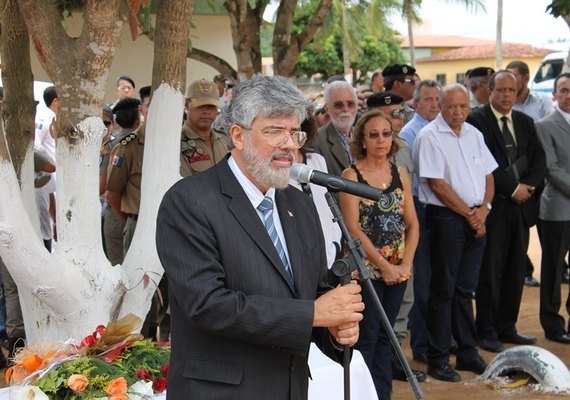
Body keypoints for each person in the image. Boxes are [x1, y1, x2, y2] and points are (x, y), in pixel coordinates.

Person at [155, 75, 364, 399]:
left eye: (294, 132)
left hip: (290, 388)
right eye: (274, 131)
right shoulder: (190, 201)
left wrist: (334, 329)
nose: (289, 144)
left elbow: (313, 292)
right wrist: (314, 314)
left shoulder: (299, 203)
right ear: (238, 135)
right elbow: (207, 305)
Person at [415, 83, 497, 382]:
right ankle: (438, 358)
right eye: (452, 106)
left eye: (463, 106)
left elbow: (489, 174)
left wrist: (484, 209)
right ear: (441, 105)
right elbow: (437, 184)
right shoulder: (429, 137)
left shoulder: (474, 134)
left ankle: (467, 352)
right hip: (446, 219)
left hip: (476, 215)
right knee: (443, 290)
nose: (458, 112)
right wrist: (470, 215)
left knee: (465, 289)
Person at [339, 109, 418, 399]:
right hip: (366, 272)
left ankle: (382, 394)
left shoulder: (400, 173)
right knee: (368, 337)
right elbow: (353, 230)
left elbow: (412, 222)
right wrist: (384, 266)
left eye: (386, 133)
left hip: (397, 272)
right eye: (373, 135)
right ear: (362, 139)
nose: (381, 140)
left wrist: (405, 264)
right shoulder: (351, 176)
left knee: (388, 338)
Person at [467, 70, 546, 353]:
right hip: (493, 207)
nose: (506, 96)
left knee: (515, 269)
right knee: (491, 270)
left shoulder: (525, 121)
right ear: (490, 90)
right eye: (500, 90)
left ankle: (507, 326)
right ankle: (486, 330)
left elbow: (539, 158)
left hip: (522, 207)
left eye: (511, 91)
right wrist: (512, 188)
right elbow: (484, 163)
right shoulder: (476, 121)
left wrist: (528, 187)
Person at [400, 79, 442, 365]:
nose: (434, 104)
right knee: (422, 283)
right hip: (418, 211)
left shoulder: (440, 130)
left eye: (437, 99)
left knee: (438, 280)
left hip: (438, 212)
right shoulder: (410, 134)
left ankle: (439, 338)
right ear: (415, 103)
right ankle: (422, 344)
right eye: (428, 99)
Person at [506, 60, 555, 288]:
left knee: (546, 226)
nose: (509, 84)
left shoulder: (543, 101)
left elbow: (546, 130)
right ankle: (524, 271)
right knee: (520, 226)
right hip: (516, 177)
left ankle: (558, 269)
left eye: (513, 76)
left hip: (541, 173)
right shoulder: (507, 105)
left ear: (524, 78)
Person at [535, 72, 570, 344]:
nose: (569, 95)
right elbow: (551, 167)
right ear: (555, 94)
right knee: (553, 269)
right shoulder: (544, 125)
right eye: (564, 90)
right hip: (557, 209)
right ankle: (552, 323)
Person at [289, 111, 341, 269]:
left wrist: (334, 245)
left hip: (328, 258)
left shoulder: (317, 160)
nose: (289, 138)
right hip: (299, 264)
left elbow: (329, 207)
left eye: (294, 131)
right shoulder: (273, 171)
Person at [105, 98, 144, 255]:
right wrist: (129, 221)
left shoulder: (109, 144)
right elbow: (111, 195)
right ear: (138, 120)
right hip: (123, 218)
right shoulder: (125, 146)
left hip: (120, 217)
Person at [180, 79, 228, 177]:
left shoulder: (225, 139)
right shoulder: (177, 143)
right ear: (186, 105)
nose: (207, 111)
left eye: (211, 106)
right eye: (201, 105)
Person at [310, 80, 358, 177]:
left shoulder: (365, 136)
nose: (345, 109)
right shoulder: (315, 140)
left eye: (350, 104)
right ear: (327, 109)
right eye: (338, 105)